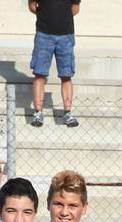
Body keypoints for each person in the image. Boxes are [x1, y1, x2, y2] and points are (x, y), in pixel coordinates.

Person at [28, 0, 80, 128]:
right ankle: (38, 112)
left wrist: (60, 20)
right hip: (43, 35)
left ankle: (67, 112)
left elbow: (75, 9)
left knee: (66, 75)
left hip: (66, 36)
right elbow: (32, 6)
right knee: (39, 74)